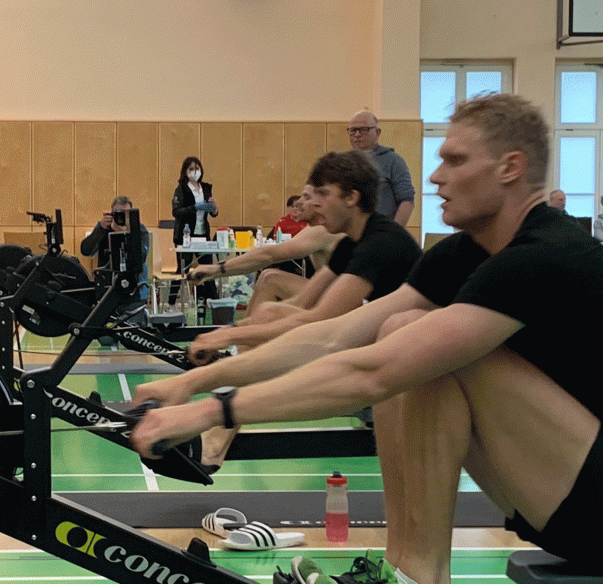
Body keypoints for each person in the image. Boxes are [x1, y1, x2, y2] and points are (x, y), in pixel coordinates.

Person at [130, 94, 603, 584]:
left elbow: (373, 374)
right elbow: (333, 336)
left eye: (454, 160)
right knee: (399, 328)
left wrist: (212, 412)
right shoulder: (466, 253)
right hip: (571, 486)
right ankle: (401, 570)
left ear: (510, 168)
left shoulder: (542, 255)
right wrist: (192, 382)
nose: (435, 176)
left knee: (420, 350)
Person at [166, 151, 419, 469]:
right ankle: (221, 408)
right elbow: (301, 306)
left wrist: (229, 334)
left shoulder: (379, 242)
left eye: (322, 194)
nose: (313, 204)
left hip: (401, 359)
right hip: (372, 335)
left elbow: (318, 318)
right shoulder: (349, 243)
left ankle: (218, 428)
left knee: (276, 310)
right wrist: (239, 332)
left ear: (352, 198)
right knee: (271, 311)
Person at [188, 184, 341, 305]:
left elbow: (268, 255)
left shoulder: (323, 229)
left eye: (306, 197)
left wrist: (215, 269)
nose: (299, 202)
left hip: (337, 299)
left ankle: (244, 335)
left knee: (270, 279)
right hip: (328, 292)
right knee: (268, 280)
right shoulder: (316, 226)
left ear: (319, 203)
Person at [80, 195, 151, 305]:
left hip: (132, 286)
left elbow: (140, 258)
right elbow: (85, 250)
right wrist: (100, 229)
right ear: (112, 214)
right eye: (118, 213)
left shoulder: (139, 230)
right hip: (107, 286)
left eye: (125, 214)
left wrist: (126, 234)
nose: (121, 218)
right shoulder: (105, 229)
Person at [348, 110, 415, 225]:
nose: (357, 134)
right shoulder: (343, 162)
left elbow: (406, 200)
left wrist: (394, 231)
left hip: (381, 230)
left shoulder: (393, 161)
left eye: (364, 129)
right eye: (353, 130)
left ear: (377, 132)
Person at [171, 156, 217, 279]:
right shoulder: (181, 189)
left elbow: (213, 213)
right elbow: (176, 212)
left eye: (197, 168)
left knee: (207, 270)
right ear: (185, 171)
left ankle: (208, 292)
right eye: (191, 169)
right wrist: (195, 207)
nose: (195, 171)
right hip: (185, 236)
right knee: (183, 270)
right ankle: (175, 292)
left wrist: (214, 207)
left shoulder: (206, 188)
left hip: (202, 234)